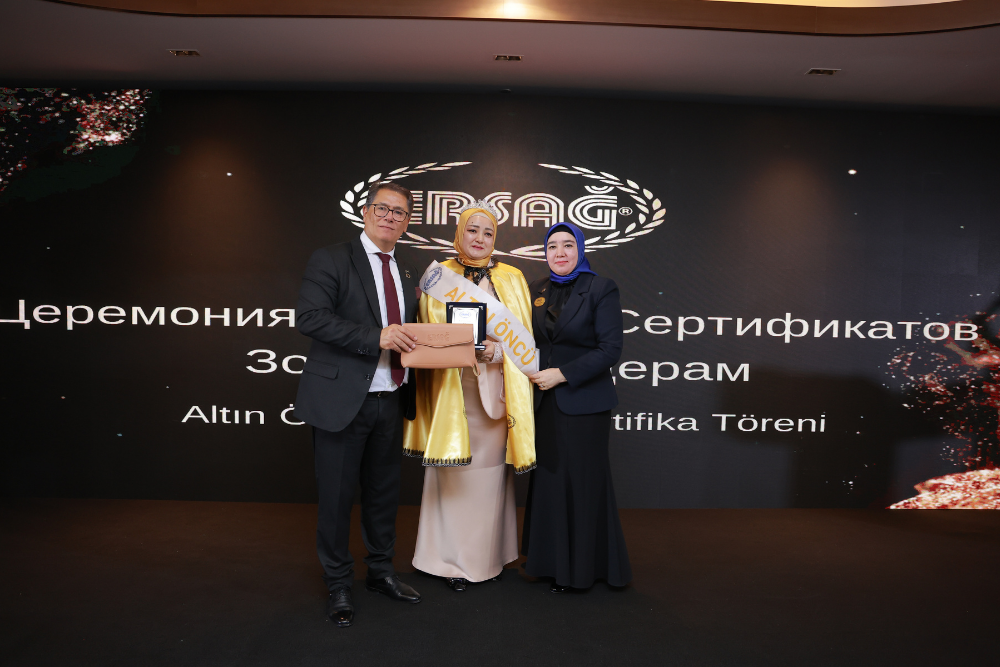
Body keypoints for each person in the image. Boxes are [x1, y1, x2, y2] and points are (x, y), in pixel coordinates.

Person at [294, 181, 422, 628]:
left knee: (384, 495)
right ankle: (338, 582)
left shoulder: (408, 270)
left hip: (392, 397)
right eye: (382, 208)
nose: (389, 217)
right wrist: (376, 336)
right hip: (341, 400)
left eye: (399, 212)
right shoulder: (331, 258)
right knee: (336, 498)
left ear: (406, 223)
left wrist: (468, 342)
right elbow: (310, 317)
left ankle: (381, 572)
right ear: (365, 213)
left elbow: (420, 331)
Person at [403, 200, 536, 592]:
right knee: (449, 479)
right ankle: (445, 561)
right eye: (472, 230)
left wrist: (493, 352)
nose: (480, 238)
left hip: (492, 396)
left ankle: (483, 559)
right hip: (450, 391)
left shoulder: (512, 278)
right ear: (459, 233)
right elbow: (426, 334)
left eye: (488, 232)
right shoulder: (439, 276)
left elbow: (525, 346)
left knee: (486, 481)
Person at [522, 221, 632, 591]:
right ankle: (550, 564)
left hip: (584, 403)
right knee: (550, 482)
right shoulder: (535, 288)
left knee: (582, 484)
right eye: (552, 246)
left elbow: (610, 349)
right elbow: (524, 340)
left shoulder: (601, 287)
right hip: (544, 403)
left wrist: (563, 374)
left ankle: (581, 571)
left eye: (568, 245)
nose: (560, 252)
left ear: (581, 249)